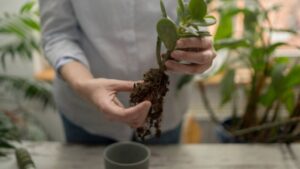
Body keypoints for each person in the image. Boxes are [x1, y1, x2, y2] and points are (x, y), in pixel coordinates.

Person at [39, 0, 216, 145]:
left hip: (164, 111)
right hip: (87, 114)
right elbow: (57, 35)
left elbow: (201, 12)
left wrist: (200, 47)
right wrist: (84, 84)